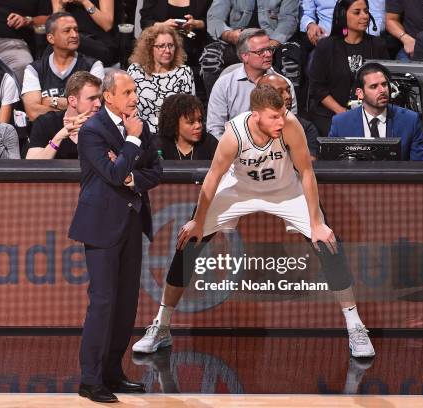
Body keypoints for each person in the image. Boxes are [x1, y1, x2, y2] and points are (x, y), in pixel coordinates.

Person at [132, 85, 375, 361]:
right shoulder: (234, 134)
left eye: (283, 114)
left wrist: (317, 221)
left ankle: (356, 326)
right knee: (189, 243)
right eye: (274, 117)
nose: (280, 121)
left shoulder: (290, 126)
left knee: (328, 243)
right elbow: (213, 177)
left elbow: (306, 171)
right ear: (256, 115)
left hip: (285, 191)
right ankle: (162, 326)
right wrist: (198, 222)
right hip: (239, 190)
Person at [69, 69, 162, 403]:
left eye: (134, 91)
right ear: (108, 96)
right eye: (127, 92)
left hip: (132, 223)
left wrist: (130, 176)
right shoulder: (93, 130)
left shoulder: (140, 125)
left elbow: (155, 171)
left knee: (125, 306)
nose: (134, 97)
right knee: (103, 303)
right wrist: (132, 143)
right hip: (101, 225)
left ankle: (112, 373)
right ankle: (90, 380)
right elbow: (110, 171)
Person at [308, 0, 388, 138]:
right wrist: (342, 112)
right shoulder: (326, 47)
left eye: (366, 11)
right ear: (343, 16)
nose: (364, 16)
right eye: (357, 12)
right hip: (332, 114)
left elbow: (385, 83)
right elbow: (318, 88)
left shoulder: (378, 45)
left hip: (371, 114)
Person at [207, 28, 297, 139]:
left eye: (269, 49)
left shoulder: (284, 84)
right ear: (244, 56)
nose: (268, 54)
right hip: (234, 149)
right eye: (261, 51)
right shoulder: (224, 84)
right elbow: (215, 129)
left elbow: (291, 124)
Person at [328, 62, 423, 160]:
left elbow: (420, 166)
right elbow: (332, 165)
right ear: (360, 93)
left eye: (384, 84)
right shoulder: (340, 123)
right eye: (374, 86)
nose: (382, 90)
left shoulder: (410, 120)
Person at [200, 0, 299, 94]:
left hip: (272, 41)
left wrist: (271, 44)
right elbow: (215, 17)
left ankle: (286, 109)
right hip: (239, 42)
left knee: (290, 59)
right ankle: (218, 105)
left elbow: (289, 20)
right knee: (211, 56)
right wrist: (229, 35)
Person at [21, 12, 105, 122]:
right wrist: (75, 107)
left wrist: (54, 101)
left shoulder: (93, 66)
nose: (74, 35)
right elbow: (33, 113)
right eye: (67, 31)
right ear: (51, 38)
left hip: (82, 133)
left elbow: (92, 107)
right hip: (47, 136)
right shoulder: (34, 70)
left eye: (76, 30)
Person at [127, 25, 195, 134]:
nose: (167, 50)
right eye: (161, 46)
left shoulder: (184, 72)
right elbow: (126, 104)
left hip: (172, 135)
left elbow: (190, 110)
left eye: (171, 46)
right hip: (141, 133)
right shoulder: (136, 71)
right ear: (150, 48)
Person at [139, 0, 212, 98]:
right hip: (160, 48)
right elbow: (145, 21)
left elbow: (213, 21)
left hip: (194, 50)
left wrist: (197, 24)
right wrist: (162, 26)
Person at [26, 71, 102, 159]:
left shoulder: (105, 125)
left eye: (99, 98)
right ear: (72, 101)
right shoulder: (45, 123)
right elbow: (33, 166)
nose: (98, 104)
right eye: (92, 98)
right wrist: (59, 136)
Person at [259, 73, 321, 159]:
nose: (288, 96)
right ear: (262, 97)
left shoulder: (306, 127)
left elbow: (311, 160)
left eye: (288, 91)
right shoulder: (247, 126)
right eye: (280, 92)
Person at [52, 0, 117, 66]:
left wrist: (85, 2)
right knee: (54, 40)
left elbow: (107, 25)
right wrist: (62, 6)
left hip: (101, 44)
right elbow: (55, 26)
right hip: (72, 44)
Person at [157, 94, 218, 160]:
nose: (198, 126)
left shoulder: (210, 143)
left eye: (199, 120)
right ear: (174, 123)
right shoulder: (159, 145)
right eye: (191, 122)